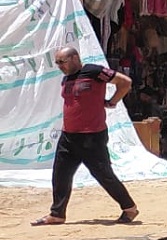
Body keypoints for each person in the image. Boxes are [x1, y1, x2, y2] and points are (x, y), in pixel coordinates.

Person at [33, 46, 139, 227]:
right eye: (57, 63)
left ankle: (129, 208)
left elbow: (125, 82)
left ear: (75, 58)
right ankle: (57, 214)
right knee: (60, 174)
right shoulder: (67, 78)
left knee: (104, 175)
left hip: (92, 135)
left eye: (62, 62)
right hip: (68, 135)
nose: (59, 66)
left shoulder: (94, 71)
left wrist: (112, 102)